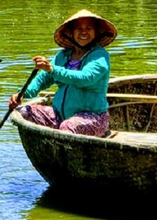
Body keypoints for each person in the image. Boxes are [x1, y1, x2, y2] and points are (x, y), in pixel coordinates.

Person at [9, 9, 116, 137]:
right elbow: (41, 80)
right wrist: (21, 94)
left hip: (93, 118)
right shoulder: (63, 56)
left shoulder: (100, 56)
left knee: (68, 126)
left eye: (89, 28)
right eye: (78, 28)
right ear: (71, 33)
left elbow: (84, 78)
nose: (83, 32)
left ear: (96, 32)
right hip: (60, 116)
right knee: (24, 112)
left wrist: (52, 69)